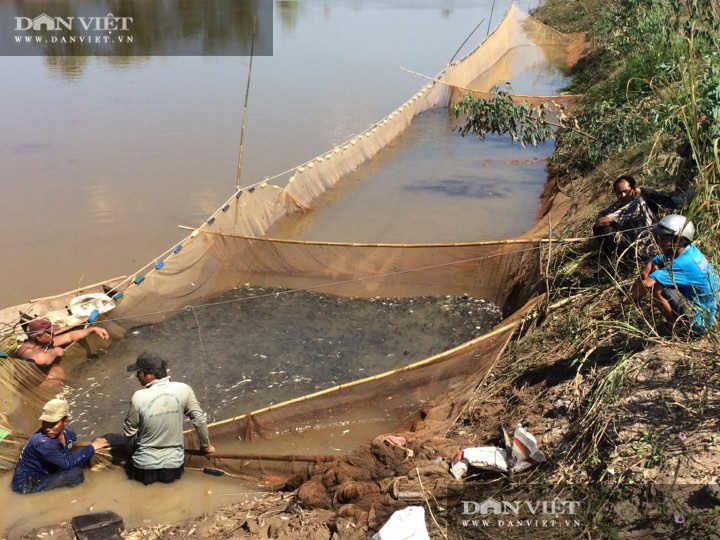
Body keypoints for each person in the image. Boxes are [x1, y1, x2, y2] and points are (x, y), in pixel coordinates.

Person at [123, 352, 215, 485]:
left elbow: (129, 430)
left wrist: (132, 451)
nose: (137, 376)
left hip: (144, 465)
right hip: (173, 464)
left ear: (151, 374)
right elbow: (199, 420)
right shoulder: (184, 389)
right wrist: (206, 446)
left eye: (139, 372)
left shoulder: (138, 396)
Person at [624, 215, 719, 335]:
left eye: (664, 239)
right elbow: (658, 260)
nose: (659, 242)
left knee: (656, 287)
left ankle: (676, 329)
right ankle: (677, 324)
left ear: (679, 239)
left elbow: (647, 284)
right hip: (709, 309)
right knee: (656, 270)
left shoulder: (682, 264)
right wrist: (648, 267)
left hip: (700, 322)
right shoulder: (689, 250)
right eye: (659, 237)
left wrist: (628, 299)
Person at [11, 399, 108, 494]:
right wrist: (92, 447)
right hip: (27, 485)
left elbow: (72, 442)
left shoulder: (69, 434)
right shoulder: (43, 442)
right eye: (44, 422)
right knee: (75, 474)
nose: (47, 428)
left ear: (66, 422)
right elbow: (67, 464)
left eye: (52, 424)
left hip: (44, 474)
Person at [593, 175, 673, 257]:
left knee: (601, 228)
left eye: (625, 191)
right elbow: (605, 211)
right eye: (619, 193)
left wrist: (605, 214)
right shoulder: (636, 195)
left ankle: (621, 257)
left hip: (644, 248)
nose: (623, 195)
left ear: (633, 189)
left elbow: (600, 222)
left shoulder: (634, 206)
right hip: (642, 240)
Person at [15, 318, 109, 382]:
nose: (54, 335)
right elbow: (42, 360)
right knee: (57, 372)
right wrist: (55, 351)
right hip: (29, 384)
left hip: (42, 377)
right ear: (39, 336)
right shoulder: (25, 350)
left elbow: (70, 336)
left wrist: (93, 329)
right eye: (50, 332)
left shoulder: (44, 343)